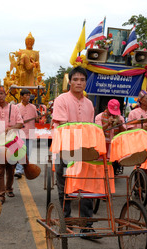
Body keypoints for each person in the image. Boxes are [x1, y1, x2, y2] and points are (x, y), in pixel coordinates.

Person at [51, 66, 97, 237]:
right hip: (65, 149)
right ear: (69, 81)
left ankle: (87, 226)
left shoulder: (90, 103)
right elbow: (63, 125)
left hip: (84, 150)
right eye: (75, 79)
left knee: (86, 187)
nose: (79, 82)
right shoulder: (61, 99)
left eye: (82, 80)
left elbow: (90, 126)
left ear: (86, 82)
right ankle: (66, 222)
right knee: (65, 188)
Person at [95, 99, 126, 173]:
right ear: (106, 108)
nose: (113, 114)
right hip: (103, 145)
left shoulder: (120, 118)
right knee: (102, 168)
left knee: (113, 168)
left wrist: (120, 124)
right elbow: (98, 132)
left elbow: (125, 133)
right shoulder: (99, 117)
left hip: (115, 146)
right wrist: (107, 124)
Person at [14, 88, 38, 178]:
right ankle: (19, 169)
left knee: (28, 152)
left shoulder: (33, 107)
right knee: (21, 151)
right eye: (26, 95)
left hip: (30, 132)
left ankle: (25, 169)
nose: (28, 97)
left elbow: (37, 118)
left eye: (29, 95)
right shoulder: (16, 107)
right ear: (21, 96)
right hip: (20, 133)